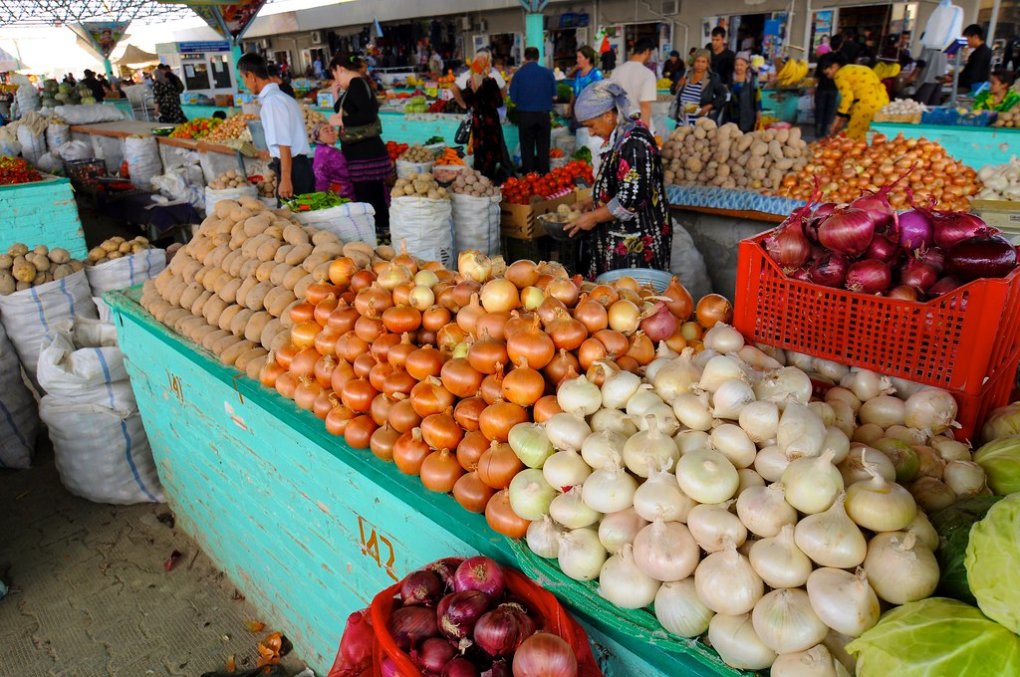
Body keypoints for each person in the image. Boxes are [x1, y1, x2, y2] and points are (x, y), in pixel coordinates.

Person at [565, 81, 671, 279]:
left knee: (632, 298)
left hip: (636, 242)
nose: (591, 132)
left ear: (608, 115)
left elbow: (631, 199)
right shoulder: (620, 137)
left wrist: (594, 217)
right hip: (618, 235)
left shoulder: (634, 143)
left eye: (591, 125)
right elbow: (618, 184)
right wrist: (588, 202)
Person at [329, 52, 393, 238]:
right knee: (372, 195)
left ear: (340, 69)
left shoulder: (357, 84)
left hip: (365, 154)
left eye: (335, 74)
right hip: (364, 153)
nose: (335, 79)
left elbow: (367, 115)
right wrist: (335, 93)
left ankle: (378, 233)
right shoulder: (355, 86)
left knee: (368, 197)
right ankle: (381, 232)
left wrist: (342, 123)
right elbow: (343, 109)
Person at [237, 53, 314, 202]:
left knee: (293, 221)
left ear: (251, 76)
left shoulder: (272, 102)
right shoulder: (282, 97)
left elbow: (284, 143)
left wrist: (285, 179)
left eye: (243, 78)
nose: (244, 83)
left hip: (293, 170)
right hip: (298, 166)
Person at [451, 49, 512, 183]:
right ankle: (490, 182)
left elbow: (467, 103)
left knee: (479, 153)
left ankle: (480, 181)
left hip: (477, 122)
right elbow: (498, 102)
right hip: (490, 123)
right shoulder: (491, 82)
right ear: (486, 64)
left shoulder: (469, 83)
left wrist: (466, 105)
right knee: (491, 153)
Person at [510, 47, 556, 175]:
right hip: (543, 116)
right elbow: (554, 96)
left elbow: (513, 99)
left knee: (527, 149)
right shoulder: (548, 73)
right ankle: (544, 178)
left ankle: (529, 178)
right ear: (538, 57)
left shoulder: (518, 74)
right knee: (543, 148)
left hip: (525, 117)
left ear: (525, 57)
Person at [823, 55, 890, 139]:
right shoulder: (860, 68)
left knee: (855, 135)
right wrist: (843, 119)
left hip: (866, 104)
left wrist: (836, 121)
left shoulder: (839, 75)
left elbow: (847, 98)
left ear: (834, 66)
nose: (828, 77)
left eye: (827, 73)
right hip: (883, 101)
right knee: (873, 134)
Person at [610, 37, 658, 132]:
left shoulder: (615, 72)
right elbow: (645, 105)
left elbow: (612, 102)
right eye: (651, 53)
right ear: (647, 51)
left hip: (621, 128)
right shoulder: (647, 74)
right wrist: (645, 132)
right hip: (639, 126)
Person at [673, 49, 727, 127]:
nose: (700, 64)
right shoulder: (685, 75)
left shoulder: (712, 78)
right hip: (681, 122)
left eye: (703, 62)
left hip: (700, 124)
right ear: (694, 62)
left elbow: (722, 95)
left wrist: (709, 106)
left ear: (708, 64)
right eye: (697, 61)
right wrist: (678, 85)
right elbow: (673, 91)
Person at [311, 122, 356, 198]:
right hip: (340, 195)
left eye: (332, 130)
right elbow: (320, 177)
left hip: (346, 190)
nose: (331, 133)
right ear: (318, 137)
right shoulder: (323, 152)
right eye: (326, 131)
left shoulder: (330, 149)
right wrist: (323, 197)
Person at [723, 55, 762, 132]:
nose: (738, 67)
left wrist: (759, 111)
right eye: (736, 65)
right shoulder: (730, 78)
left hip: (748, 113)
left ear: (747, 65)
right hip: (731, 113)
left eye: (741, 65)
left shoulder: (753, 79)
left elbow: (758, 95)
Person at [567, 45, 604, 119]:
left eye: (580, 57)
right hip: (577, 112)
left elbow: (600, 95)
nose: (577, 60)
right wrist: (570, 108)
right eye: (577, 57)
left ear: (588, 59)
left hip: (590, 113)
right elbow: (575, 92)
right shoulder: (578, 73)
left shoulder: (596, 74)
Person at [958, 24, 992, 92]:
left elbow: (972, 76)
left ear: (975, 37)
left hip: (973, 89)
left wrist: (956, 79)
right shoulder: (986, 51)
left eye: (967, 39)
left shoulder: (979, 54)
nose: (966, 42)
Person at [814, 53, 840, 139]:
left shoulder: (823, 57)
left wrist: (814, 86)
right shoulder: (839, 57)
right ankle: (824, 131)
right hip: (834, 88)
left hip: (822, 87)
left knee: (819, 110)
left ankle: (818, 130)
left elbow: (817, 74)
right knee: (829, 110)